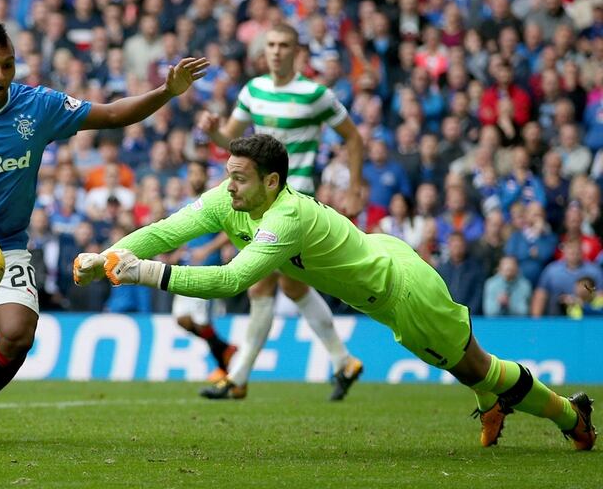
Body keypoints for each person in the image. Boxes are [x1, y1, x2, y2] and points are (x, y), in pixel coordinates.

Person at [75, 134, 595, 451]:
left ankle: (572, 415)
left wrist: (143, 272)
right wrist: (108, 255)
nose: (227, 186)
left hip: (402, 294)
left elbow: (233, 279)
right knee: (468, 365)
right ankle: (491, 404)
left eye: (239, 178)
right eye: (226, 175)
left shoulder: (286, 219)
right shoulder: (228, 200)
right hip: (385, 257)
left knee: (474, 366)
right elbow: (164, 231)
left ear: (273, 181)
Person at [0, 22, 208, 445]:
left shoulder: (38, 106)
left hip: (5, 247)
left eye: (7, 65)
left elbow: (111, 114)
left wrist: (167, 91)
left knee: (18, 334)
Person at [197, 23, 365, 401]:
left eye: (284, 45)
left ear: (297, 51)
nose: (276, 51)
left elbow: (353, 137)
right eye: (271, 44)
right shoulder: (253, 90)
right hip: (264, 203)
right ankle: (344, 361)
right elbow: (233, 141)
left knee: (260, 282)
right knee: (290, 284)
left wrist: (355, 189)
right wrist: (214, 133)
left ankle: (237, 378)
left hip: (295, 202)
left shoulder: (315, 94)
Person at [169, 161, 237, 383]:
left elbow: (229, 231)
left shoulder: (213, 201)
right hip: (187, 268)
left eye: (198, 173)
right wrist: (177, 253)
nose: (194, 177)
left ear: (206, 176)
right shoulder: (186, 203)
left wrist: (206, 250)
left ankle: (223, 369)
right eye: (191, 173)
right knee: (181, 319)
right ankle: (225, 349)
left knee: (200, 321)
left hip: (207, 269)